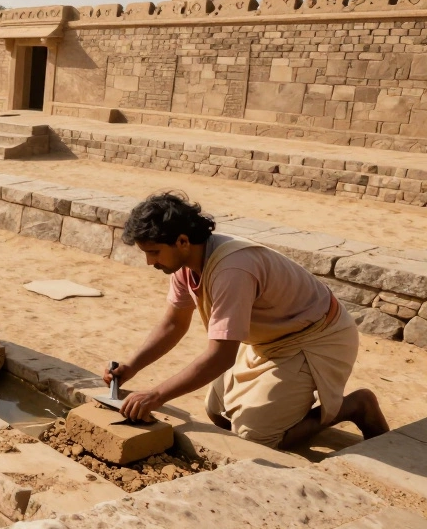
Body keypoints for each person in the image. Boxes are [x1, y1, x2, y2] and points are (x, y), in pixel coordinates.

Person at [106, 192, 388, 448]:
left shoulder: (232, 270)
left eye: (154, 252)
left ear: (182, 241)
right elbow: (173, 324)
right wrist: (131, 366)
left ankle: (355, 406)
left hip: (317, 338)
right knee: (218, 411)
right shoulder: (185, 264)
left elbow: (221, 356)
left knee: (256, 438)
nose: (149, 262)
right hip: (268, 340)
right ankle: (287, 409)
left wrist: (156, 395)